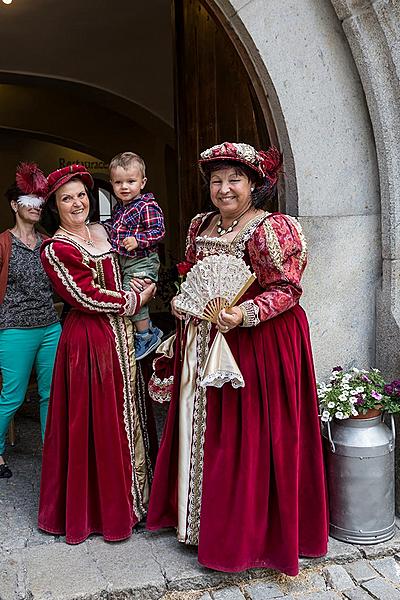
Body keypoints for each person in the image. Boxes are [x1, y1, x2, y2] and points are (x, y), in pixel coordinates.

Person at [146, 142, 328, 576]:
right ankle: (199, 522)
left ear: (253, 185)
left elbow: (286, 290)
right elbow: (190, 271)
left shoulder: (271, 229)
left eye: (234, 180)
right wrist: (180, 304)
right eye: (216, 180)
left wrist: (242, 313)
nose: (224, 189)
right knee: (205, 428)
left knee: (246, 433)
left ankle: (243, 534)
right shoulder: (200, 225)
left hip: (256, 345)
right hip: (202, 338)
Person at [38, 164, 156, 544]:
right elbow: (85, 295)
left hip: (120, 335)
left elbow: (130, 262)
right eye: (66, 198)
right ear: (55, 206)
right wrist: (135, 297)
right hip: (89, 341)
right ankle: (105, 509)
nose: (77, 203)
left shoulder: (103, 231)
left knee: (128, 411)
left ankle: (138, 500)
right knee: (98, 418)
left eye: (81, 195)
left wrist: (141, 282)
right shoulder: (56, 247)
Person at [0, 163, 61, 479]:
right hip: (14, 330)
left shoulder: (49, 243)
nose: (37, 207)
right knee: (11, 397)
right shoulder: (2, 244)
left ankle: (52, 453)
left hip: (51, 328)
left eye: (41, 201)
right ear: (15, 204)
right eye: (30, 200)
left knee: (52, 396)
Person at [107, 152, 165, 360]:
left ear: (143, 182)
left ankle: (145, 336)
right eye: (118, 182)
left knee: (132, 296)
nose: (124, 187)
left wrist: (138, 240)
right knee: (129, 294)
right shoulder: (119, 209)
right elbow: (115, 230)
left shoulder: (146, 206)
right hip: (126, 261)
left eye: (131, 181)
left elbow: (158, 231)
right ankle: (148, 329)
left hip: (142, 259)